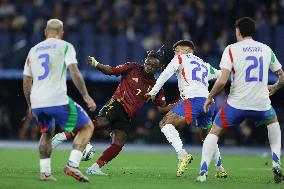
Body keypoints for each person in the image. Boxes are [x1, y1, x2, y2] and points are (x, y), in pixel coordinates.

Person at [52, 49, 177, 175]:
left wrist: (179, 103)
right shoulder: (132, 67)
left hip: (128, 115)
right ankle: (63, 136)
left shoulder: (157, 86)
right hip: (117, 104)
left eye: (153, 66)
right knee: (101, 123)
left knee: (119, 141)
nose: (148, 67)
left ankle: (95, 168)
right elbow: (111, 71)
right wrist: (96, 64)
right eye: (147, 63)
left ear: (159, 68)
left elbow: (162, 108)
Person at [196, 17, 284, 183]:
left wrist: (209, 97)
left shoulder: (231, 49)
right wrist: (275, 87)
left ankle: (203, 172)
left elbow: (222, 81)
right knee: (273, 123)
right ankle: (276, 162)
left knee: (214, 131)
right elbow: (282, 77)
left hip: (236, 104)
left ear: (238, 32)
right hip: (261, 104)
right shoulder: (266, 50)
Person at [23, 19, 96, 182]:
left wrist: (29, 105)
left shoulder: (33, 51)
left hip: (37, 101)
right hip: (56, 98)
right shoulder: (65, 46)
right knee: (87, 127)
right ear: (61, 33)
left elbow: (27, 81)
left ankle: (45, 172)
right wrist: (86, 96)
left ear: (45, 32)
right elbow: (75, 72)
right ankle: (73, 164)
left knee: (46, 133)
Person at [146, 40, 227, 177]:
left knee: (164, 124)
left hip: (193, 99)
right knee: (207, 137)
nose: (175, 52)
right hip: (208, 102)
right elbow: (221, 75)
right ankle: (220, 169)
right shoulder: (204, 64)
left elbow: (165, 74)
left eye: (177, 49)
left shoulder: (180, 58)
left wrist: (153, 92)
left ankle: (182, 155)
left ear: (187, 50)